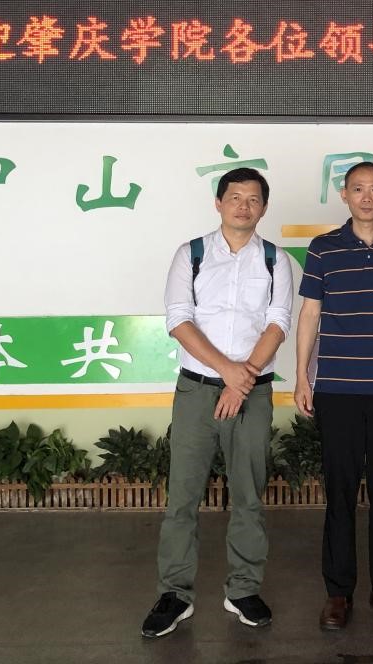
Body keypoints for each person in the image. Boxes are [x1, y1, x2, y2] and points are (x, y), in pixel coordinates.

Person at [141, 167, 294, 639]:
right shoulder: (190, 254)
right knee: (182, 497)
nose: (243, 206)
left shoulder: (276, 260)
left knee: (248, 495)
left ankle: (243, 589)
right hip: (196, 391)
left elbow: (278, 323)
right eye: (235, 197)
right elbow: (178, 319)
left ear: (264, 207)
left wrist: (240, 382)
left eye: (253, 199)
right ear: (219, 203)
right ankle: (175, 594)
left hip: (252, 394)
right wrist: (228, 371)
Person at [293, 161, 373, 631]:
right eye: (358, 189)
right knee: (340, 493)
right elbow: (310, 314)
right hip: (337, 389)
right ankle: (338, 592)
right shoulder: (323, 248)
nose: (367, 197)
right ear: (344, 196)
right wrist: (302, 375)